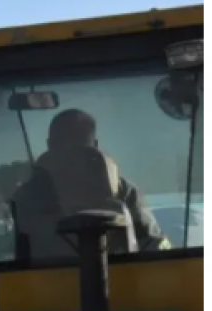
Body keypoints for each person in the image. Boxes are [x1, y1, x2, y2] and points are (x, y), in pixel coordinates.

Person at [12, 108, 169, 257]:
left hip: (124, 279)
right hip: (40, 283)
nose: (72, 157)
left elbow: (157, 248)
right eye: (64, 145)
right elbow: (155, 247)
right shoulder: (26, 198)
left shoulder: (125, 192)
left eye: (78, 147)